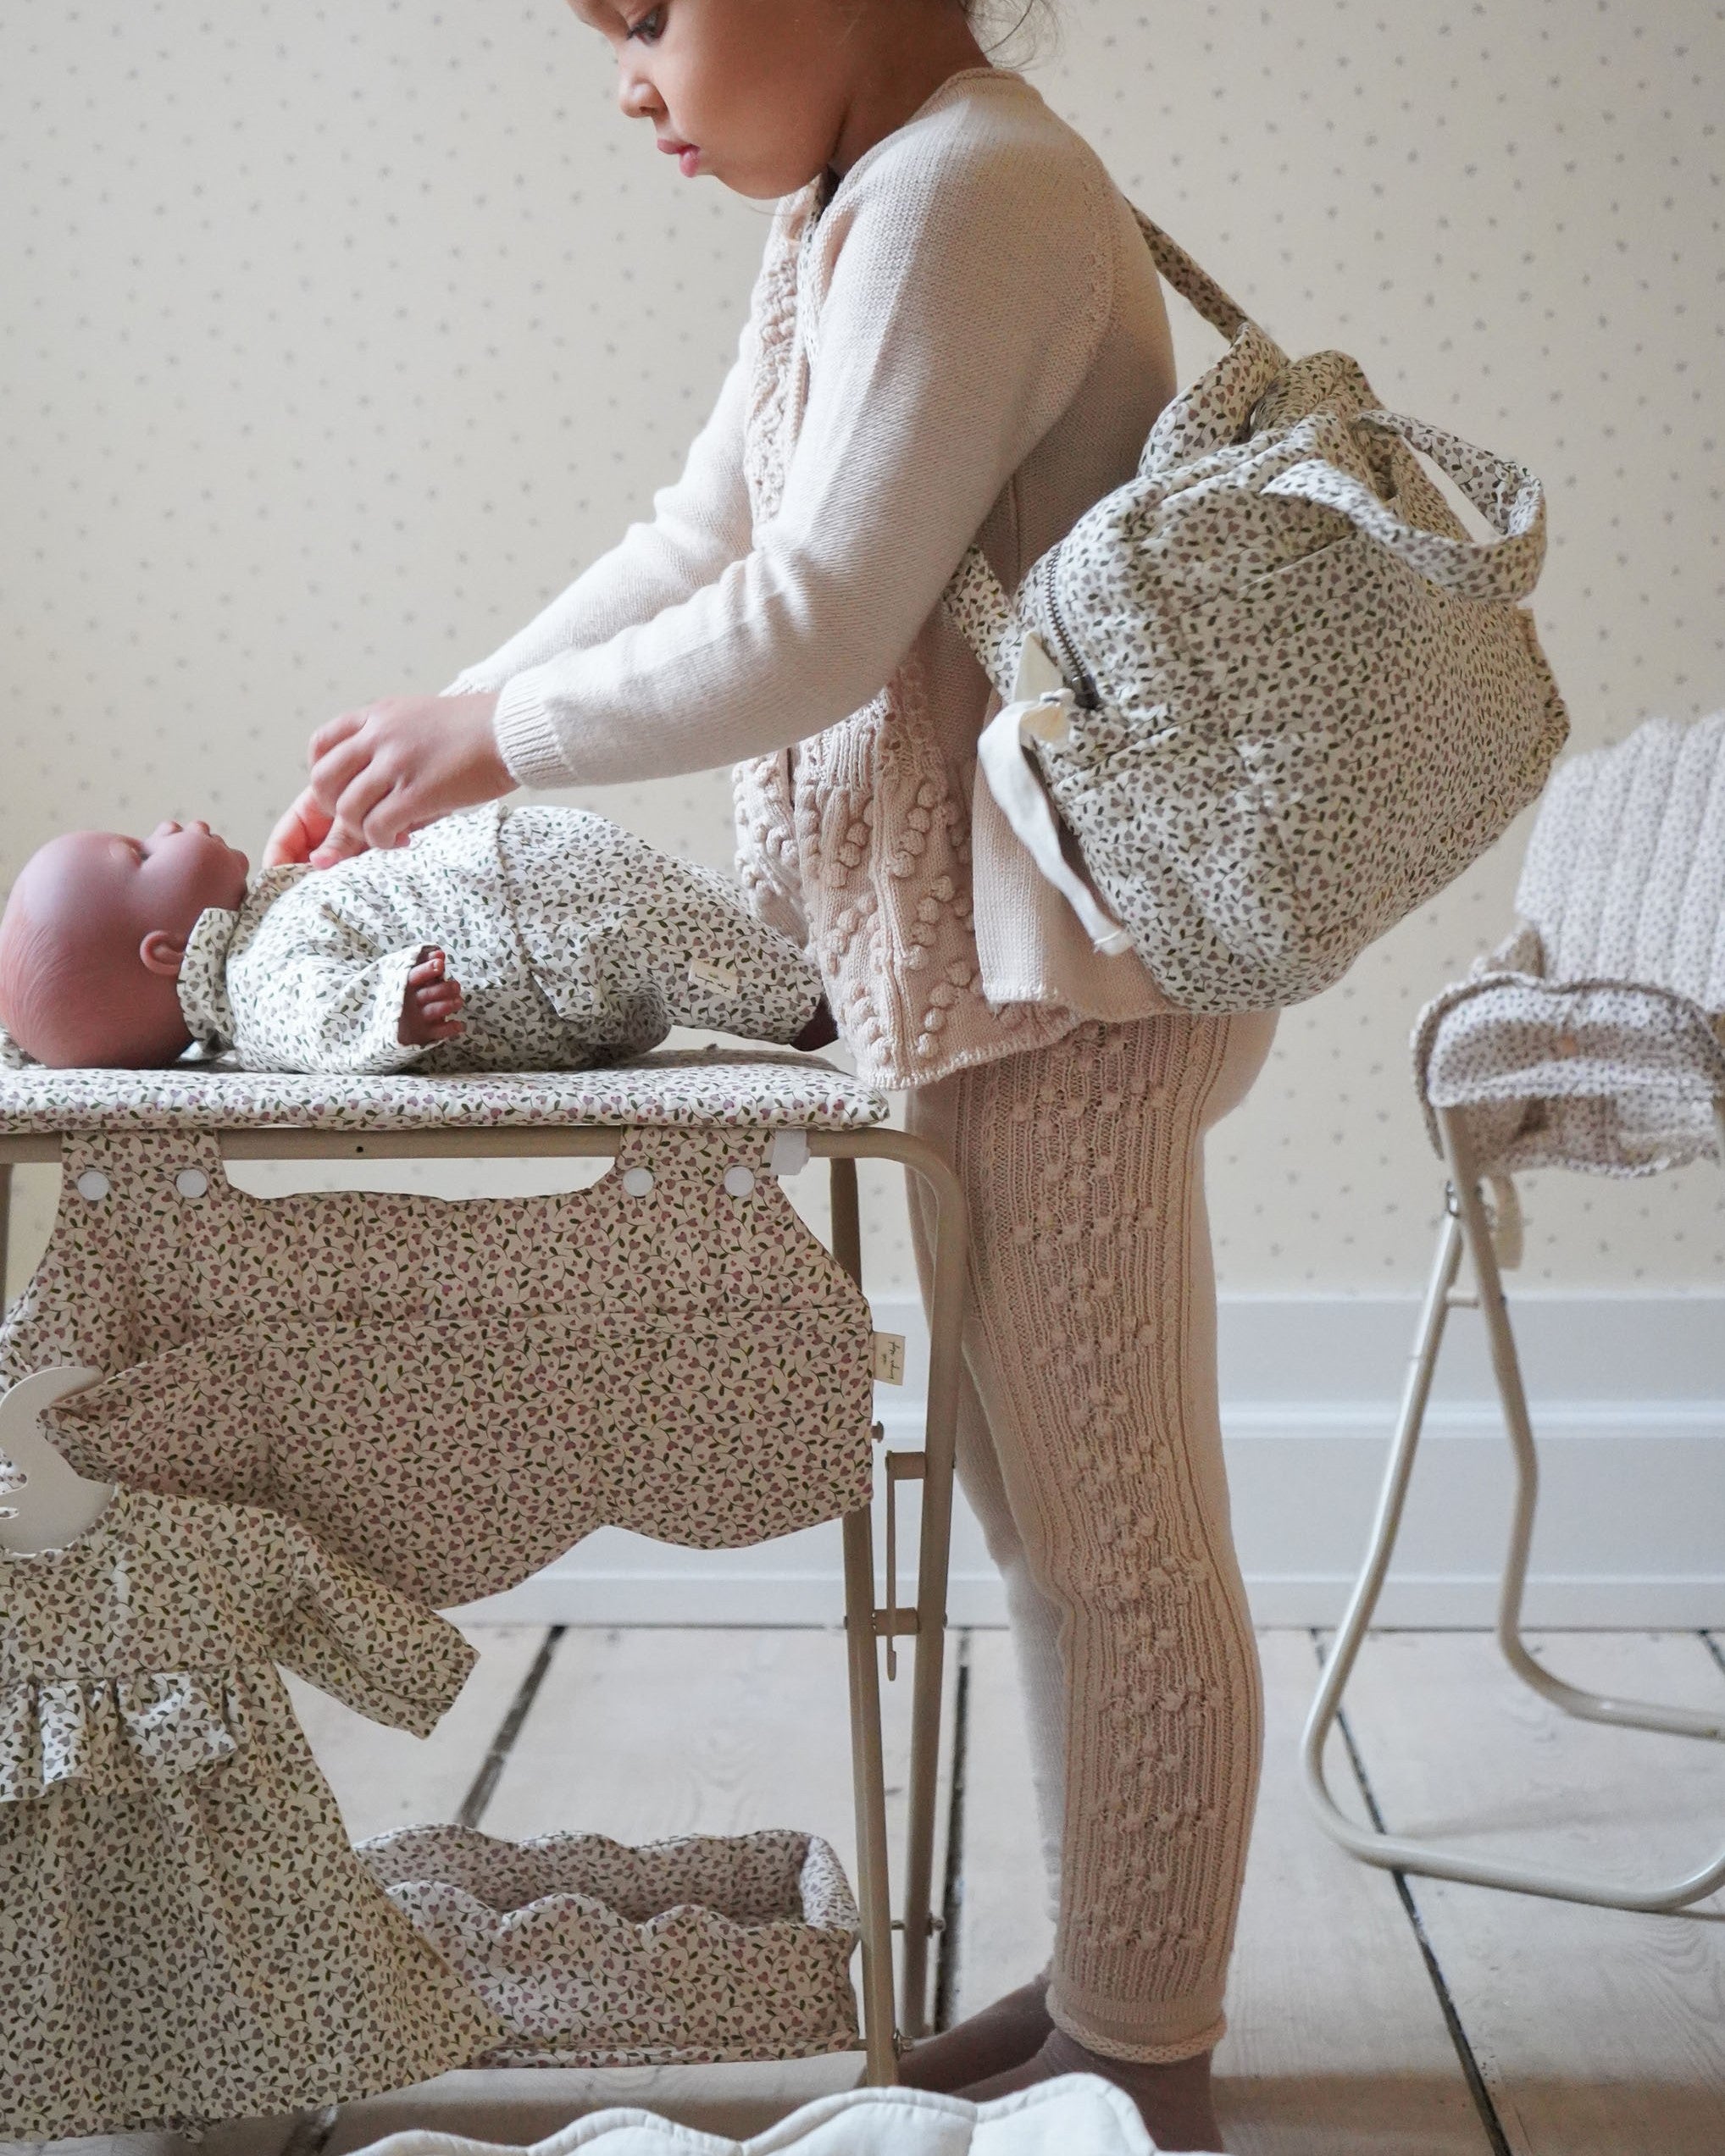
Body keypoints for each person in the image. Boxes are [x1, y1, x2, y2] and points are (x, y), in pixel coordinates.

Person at [265, 5, 1278, 2145]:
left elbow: (815, 617)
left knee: (1112, 1536)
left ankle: (1149, 2054)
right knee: (1039, 1512)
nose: (625, 71)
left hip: (1067, 978)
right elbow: (698, 534)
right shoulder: (855, 200)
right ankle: (1113, 1991)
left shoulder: (971, 189)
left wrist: (493, 739)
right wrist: (446, 713)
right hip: (976, 976)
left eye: (649, 11)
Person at [0, 806, 825, 1072]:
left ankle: (798, 961)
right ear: (165, 952)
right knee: (676, 940)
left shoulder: (262, 920)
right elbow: (317, 1018)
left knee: (690, 912)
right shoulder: (256, 990)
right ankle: (804, 1004)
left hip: (526, 885)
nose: (168, 824)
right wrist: (391, 1008)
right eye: (141, 852)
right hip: (539, 935)